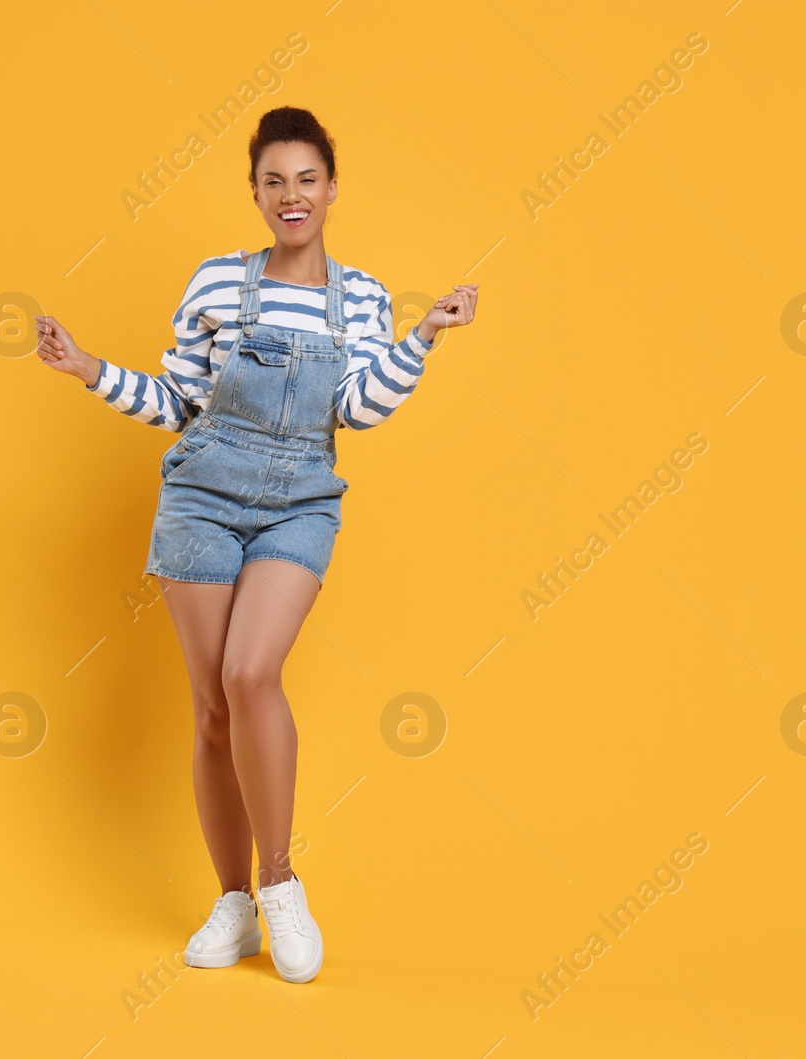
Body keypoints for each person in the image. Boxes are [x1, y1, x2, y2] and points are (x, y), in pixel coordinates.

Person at [32, 106, 478, 984]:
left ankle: (280, 884)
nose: (291, 196)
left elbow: (357, 409)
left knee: (250, 673)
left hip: (299, 499)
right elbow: (178, 403)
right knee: (211, 710)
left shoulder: (364, 298)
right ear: (256, 193)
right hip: (201, 496)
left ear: (333, 188)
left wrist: (422, 337)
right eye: (273, 181)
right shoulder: (213, 285)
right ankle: (232, 904)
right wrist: (89, 370)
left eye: (307, 179)